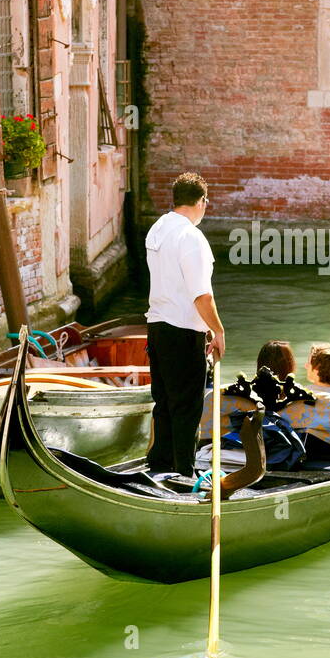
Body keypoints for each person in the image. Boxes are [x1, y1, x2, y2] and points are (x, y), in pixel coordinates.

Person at [145, 172, 225, 477]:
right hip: (182, 332)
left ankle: (160, 467)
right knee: (187, 407)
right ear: (202, 201)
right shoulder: (191, 237)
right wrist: (217, 331)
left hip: (157, 327)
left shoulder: (158, 228)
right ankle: (184, 472)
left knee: (164, 403)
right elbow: (201, 296)